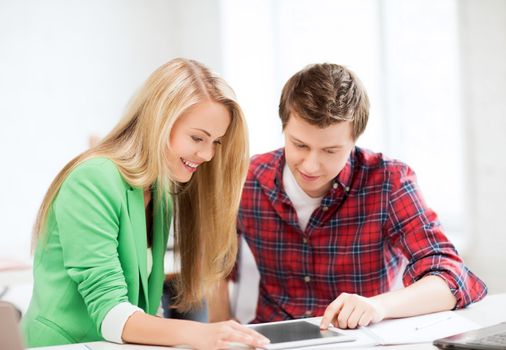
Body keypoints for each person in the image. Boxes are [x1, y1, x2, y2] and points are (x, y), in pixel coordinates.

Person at [209, 63, 487, 330]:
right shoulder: (247, 179)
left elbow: (452, 277)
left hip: (358, 338)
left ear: (355, 140)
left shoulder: (389, 182)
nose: (311, 165)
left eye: (330, 151)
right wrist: (219, 326)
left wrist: (378, 306)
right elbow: (214, 263)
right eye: (299, 145)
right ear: (283, 128)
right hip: (273, 338)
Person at [21, 58, 269, 349]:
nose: (208, 155)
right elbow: (111, 313)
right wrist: (203, 333)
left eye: (216, 142)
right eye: (197, 138)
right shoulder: (93, 178)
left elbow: (143, 308)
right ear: (158, 121)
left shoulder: (159, 190)